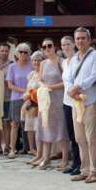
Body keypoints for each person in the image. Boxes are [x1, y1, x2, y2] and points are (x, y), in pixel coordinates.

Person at [65, 27, 96, 182]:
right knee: (80, 138)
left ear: (89, 39)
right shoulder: (73, 59)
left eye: (83, 38)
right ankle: (85, 169)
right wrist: (70, 90)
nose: (80, 41)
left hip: (90, 101)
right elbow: (67, 78)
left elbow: (95, 75)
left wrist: (78, 87)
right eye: (77, 38)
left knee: (91, 138)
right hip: (76, 103)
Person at [35, 39, 66, 169]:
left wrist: (51, 87)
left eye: (49, 45)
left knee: (61, 126)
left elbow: (66, 81)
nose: (47, 48)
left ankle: (65, 157)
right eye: (44, 46)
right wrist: (43, 85)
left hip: (58, 99)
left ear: (55, 47)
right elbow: (40, 79)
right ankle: (46, 157)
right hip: (45, 100)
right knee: (45, 125)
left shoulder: (61, 62)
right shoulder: (42, 63)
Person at [5, 43, 34, 158]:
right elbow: (10, 85)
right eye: (20, 51)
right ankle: (12, 149)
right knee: (15, 124)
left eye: (25, 52)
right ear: (17, 53)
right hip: (16, 99)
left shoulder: (32, 66)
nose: (23, 54)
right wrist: (25, 90)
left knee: (30, 123)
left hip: (30, 98)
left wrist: (28, 93)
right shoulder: (12, 67)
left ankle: (31, 148)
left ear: (28, 54)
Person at [60, 35, 81, 175]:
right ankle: (75, 162)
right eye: (63, 45)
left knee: (78, 135)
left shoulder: (77, 60)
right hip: (66, 101)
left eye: (68, 44)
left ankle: (80, 163)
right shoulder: (64, 62)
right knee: (71, 134)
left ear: (73, 44)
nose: (66, 47)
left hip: (76, 101)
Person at [24, 51, 44, 161]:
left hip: (39, 103)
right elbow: (27, 89)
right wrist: (26, 98)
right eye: (34, 60)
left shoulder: (43, 73)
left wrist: (31, 94)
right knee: (30, 127)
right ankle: (32, 149)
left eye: (38, 60)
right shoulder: (31, 74)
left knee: (38, 128)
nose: (36, 62)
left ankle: (40, 153)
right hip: (30, 103)